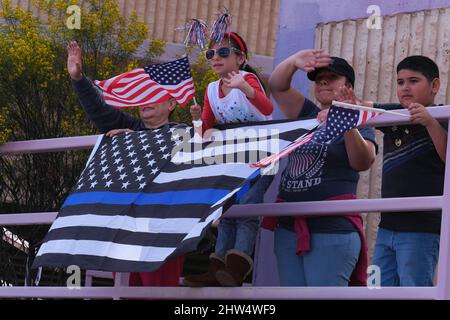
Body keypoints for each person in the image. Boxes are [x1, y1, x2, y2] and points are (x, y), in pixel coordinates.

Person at [67, 40, 185, 287]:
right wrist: (78, 79)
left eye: (154, 94)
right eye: (143, 93)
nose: (146, 99)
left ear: (172, 104)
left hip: (161, 232)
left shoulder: (184, 133)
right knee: (125, 292)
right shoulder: (129, 127)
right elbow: (99, 110)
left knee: (157, 294)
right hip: (123, 230)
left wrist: (139, 139)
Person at [263, 50, 377, 286]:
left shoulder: (359, 118)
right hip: (289, 226)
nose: (323, 81)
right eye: (318, 78)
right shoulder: (308, 114)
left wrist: (346, 122)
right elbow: (277, 86)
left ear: (349, 86)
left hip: (332, 229)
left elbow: (362, 162)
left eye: (332, 77)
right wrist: (293, 62)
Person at [182, 32, 274, 287]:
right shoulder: (212, 89)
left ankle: (238, 266)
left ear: (240, 58)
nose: (215, 58)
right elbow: (204, 133)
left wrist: (245, 89)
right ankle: (218, 265)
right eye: (211, 54)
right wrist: (197, 118)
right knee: (226, 210)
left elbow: (268, 109)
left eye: (223, 52)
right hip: (233, 160)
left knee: (246, 208)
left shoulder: (248, 79)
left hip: (261, 156)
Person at [369, 55, 447, 286]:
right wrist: (341, 104)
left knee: (414, 288)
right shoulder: (396, 114)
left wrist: (430, 122)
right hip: (387, 225)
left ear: (434, 86)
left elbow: (447, 157)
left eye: (413, 80)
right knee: (376, 288)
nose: (405, 87)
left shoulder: (444, 115)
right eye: (400, 82)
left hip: (422, 228)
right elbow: (362, 108)